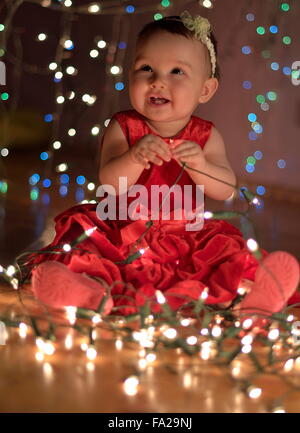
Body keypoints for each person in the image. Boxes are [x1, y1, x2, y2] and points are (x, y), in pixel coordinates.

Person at [29, 11, 299, 318]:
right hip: (123, 228)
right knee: (89, 251)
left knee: (224, 258)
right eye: (146, 68)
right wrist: (133, 157)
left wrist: (201, 165)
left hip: (186, 235)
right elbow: (109, 181)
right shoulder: (124, 126)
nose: (157, 81)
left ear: (205, 89)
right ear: (130, 75)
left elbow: (225, 189)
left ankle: (250, 295)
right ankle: (87, 292)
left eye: (176, 72)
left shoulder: (206, 136)